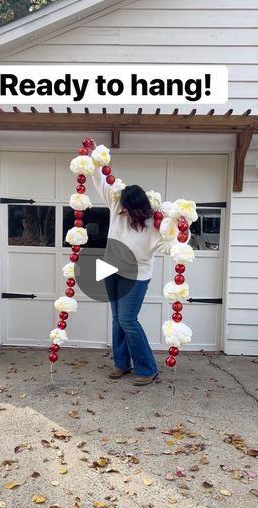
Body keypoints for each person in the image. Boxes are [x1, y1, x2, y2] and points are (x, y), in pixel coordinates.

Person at [91, 142, 174, 386]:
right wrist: (95, 156)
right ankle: (121, 363)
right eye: (122, 208)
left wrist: (182, 235)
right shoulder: (117, 205)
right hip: (110, 269)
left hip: (136, 276)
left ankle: (148, 368)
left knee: (128, 320)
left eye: (128, 209)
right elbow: (101, 181)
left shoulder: (154, 226)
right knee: (117, 318)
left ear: (138, 208)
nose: (122, 212)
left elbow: (168, 247)